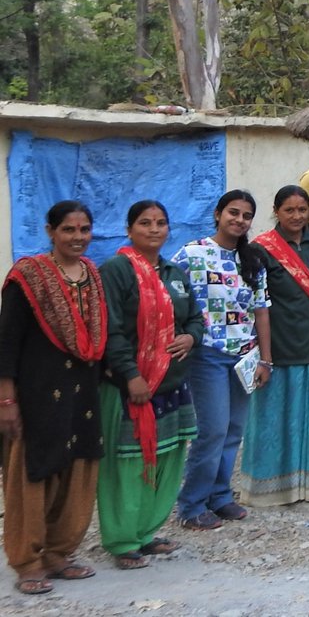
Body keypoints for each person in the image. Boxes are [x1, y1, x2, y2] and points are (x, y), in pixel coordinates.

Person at [1, 201, 107, 595]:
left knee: (78, 464)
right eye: (68, 230)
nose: (78, 237)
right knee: (35, 469)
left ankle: (59, 552)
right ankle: (27, 560)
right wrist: (6, 399)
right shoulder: (27, 277)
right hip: (37, 389)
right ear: (50, 232)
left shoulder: (92, 274)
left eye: (84, 230)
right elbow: (7, 341)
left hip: (82, 389)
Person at [97, 201, 204, 571]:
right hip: (132, 387)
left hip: (172, 384)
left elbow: (195, 318)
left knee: (167, 459)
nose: (154, 229)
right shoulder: (116, 271)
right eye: (145, 223)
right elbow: (111, 329)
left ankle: (147, 531)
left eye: (160, 223)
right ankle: (123, 540)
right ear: (129, 230)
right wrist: (131, 375)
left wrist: (191, 337)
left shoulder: (174, 272)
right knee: (128, 463)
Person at [172, 190, 272, 529]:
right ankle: (192, 504)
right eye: (233, 212)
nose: (239, 220)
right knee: (212, 430)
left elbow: (261, 310)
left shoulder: (253, 260)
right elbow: (171, 296)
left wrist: (266, 360)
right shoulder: (192, 254)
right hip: (207, 355)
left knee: (233, 430)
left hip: (244, 357)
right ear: (218, 214)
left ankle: (219, 496)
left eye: (246, 215)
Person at [243, 186, 309, 503]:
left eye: (302, 209)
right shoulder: (262, 250)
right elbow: (254, 303)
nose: (297, 216)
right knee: (279, 421)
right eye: (289, 210)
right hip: (283, 348)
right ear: (276, 211)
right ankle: (275, 488)